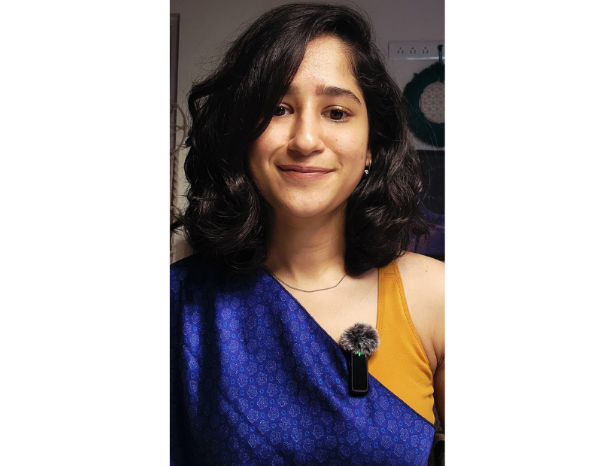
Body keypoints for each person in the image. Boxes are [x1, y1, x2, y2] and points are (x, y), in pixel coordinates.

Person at [171, 3, 444, 465]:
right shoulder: (181, 301)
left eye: (336, 113)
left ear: (371, 145)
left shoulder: (436, 297)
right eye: (278, 109)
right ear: (242, 134)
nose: (305, 140)